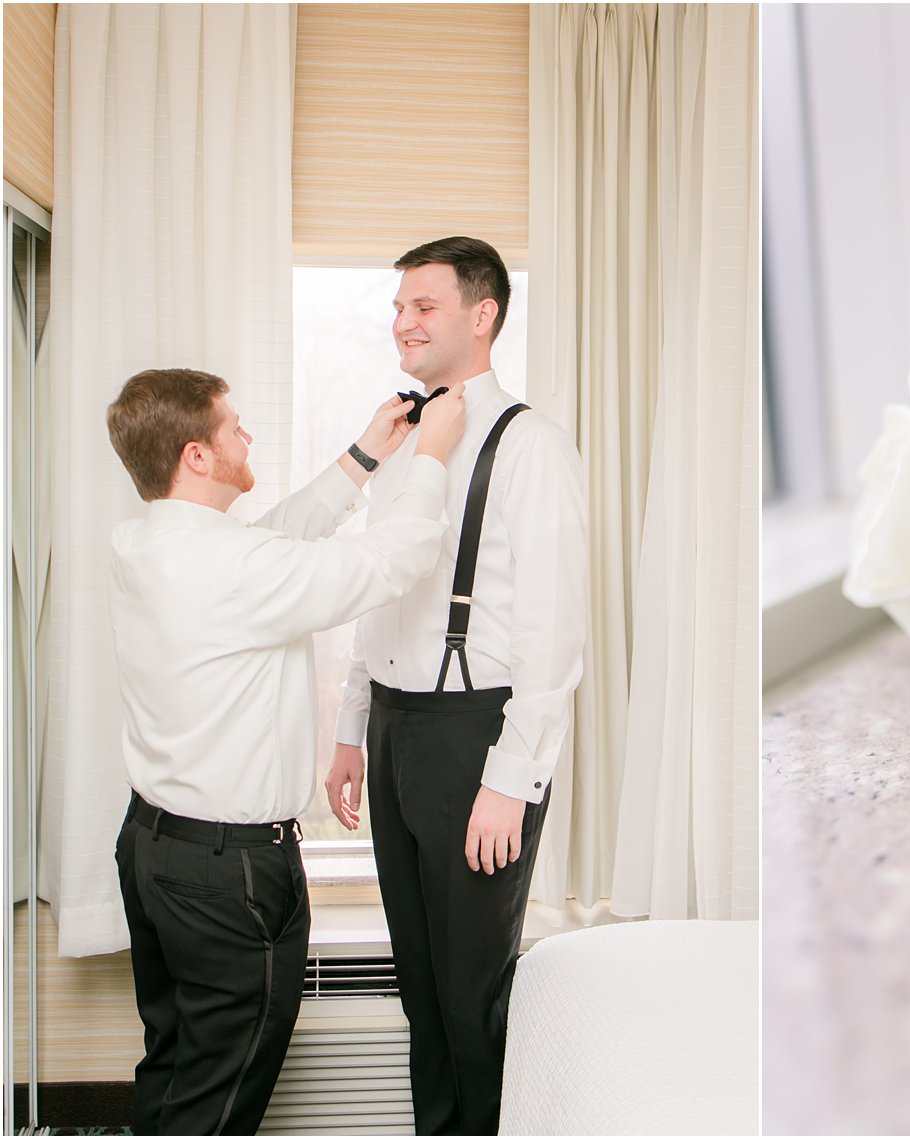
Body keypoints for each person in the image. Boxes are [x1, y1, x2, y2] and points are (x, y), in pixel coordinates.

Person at [107, 366, 467, 1135]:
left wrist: (364, 454)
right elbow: (389, 563)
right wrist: (432, 454)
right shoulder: (234, 569)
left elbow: (274, 540)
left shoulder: (145, 542)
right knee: (219, 1099)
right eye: (232, 424)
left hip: (151, 849)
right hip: (226, 876)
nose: (247, 434)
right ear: (197, 456)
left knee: (174, 1065)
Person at [324, 236, 589, 1134]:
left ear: (482, 316)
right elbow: (378, 588)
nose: (402, 321)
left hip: (479, 735)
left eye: (423, 305)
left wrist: (511, 778)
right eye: (399, 305)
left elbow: (555, 634)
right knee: (421, 983)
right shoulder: (405, 438)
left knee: (473, 989)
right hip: (398, 726)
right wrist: (354, 725)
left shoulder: (532, 445)